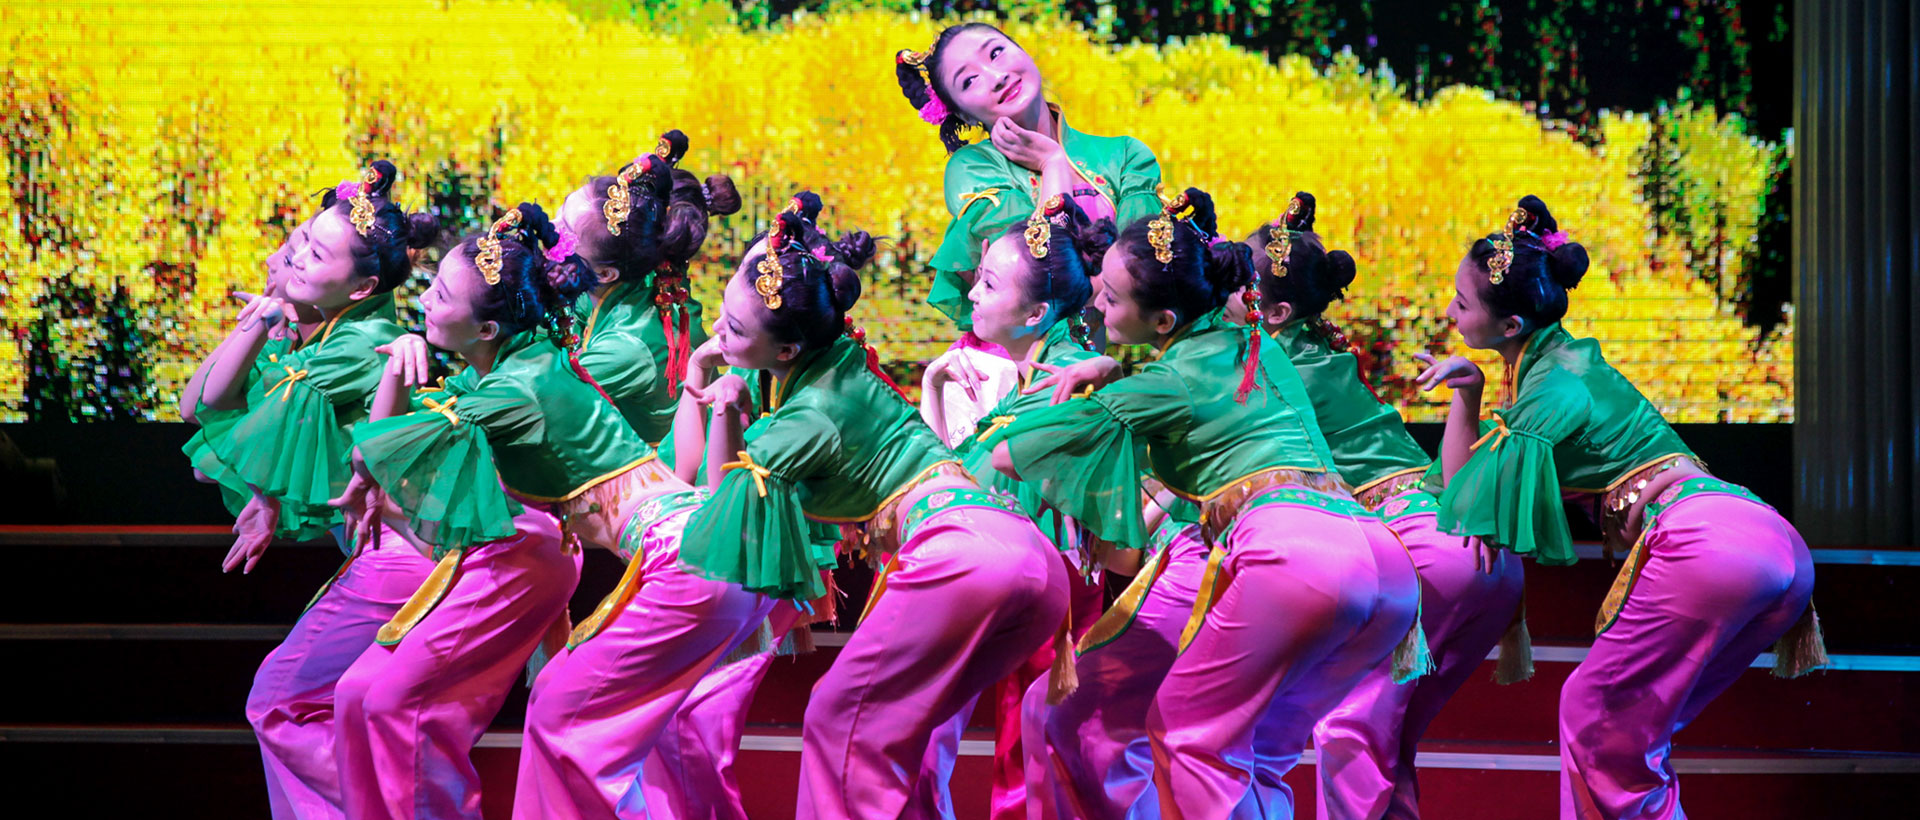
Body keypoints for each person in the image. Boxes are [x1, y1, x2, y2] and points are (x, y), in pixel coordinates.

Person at [986, 187, 1422, 819]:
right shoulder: (1256, 341)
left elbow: (1012, 455)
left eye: (1111, 298)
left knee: (1189, 736)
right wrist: (1113, 372)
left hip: (1294, 557)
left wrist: (1079, 385)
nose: (1096, 304)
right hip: (1383, 562)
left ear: (1163, 321)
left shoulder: (1167, 381)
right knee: (1254, 751)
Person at [1412, 195, 1824, 820]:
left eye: (1461, 304)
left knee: (1597, 718)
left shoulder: (1553, 388)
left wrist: (1465, 405)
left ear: (1511, 325)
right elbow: (1472, 482)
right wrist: (1470, 391)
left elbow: (1467, 497)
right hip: (1770, 538)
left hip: (1707, 544)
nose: (1449, 312)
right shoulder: (1566, 364)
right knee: (1629, 738)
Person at [674, 200, 1068, 819]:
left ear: (788, 348)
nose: (719, 333)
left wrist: (722, 402)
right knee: (899, 737)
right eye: (722, 314)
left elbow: (726, 499)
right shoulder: (840, 357)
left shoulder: (811, 415)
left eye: (736, 330)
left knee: (839, 719)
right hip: (1027, 557)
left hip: (962, 554)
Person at [328, 203, 621, 820]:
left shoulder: (516, 387)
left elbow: (379, 454)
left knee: (400, 708)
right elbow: (383, 458)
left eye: (439, 295)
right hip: (504, 545)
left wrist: (395, 378)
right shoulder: (506, 363)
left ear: (486, 328)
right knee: (355, 693)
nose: (423, 302)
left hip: (526, 556)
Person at [193, 162, 443, 820]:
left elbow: (225, 424)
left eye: (316, 252)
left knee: (279, 701)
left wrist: (266, 496)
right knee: (339, 711)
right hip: (396, 555)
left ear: (363, 286)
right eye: (301, 240)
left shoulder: (356, 345)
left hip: (405, 556)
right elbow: (207, 412)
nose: (296, 257)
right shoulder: (334, 336)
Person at [895, 22, 1161, 331]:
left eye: (996, 53)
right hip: (1022, 358)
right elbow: (1043, 279)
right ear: (963, 115)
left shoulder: (1124, 156)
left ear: (1024, 52)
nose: (997, 77)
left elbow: (1148, 273)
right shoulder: (973, 169)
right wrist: (1052, 163)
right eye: (970, 80)